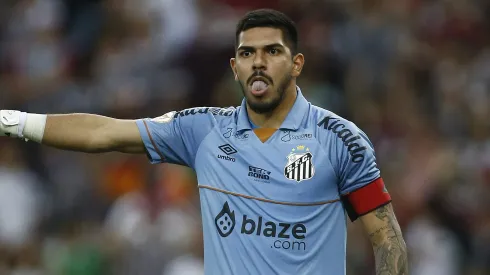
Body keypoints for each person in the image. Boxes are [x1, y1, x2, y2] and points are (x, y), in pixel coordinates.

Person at [0, 9, 408, 275]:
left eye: (273, 51)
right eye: (248, 53)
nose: (259, 62)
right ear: (235, 67)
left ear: (296, 63)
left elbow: (386, 240)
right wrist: (10, 121)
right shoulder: (203, 130)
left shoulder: (340, 139)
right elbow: (103, 132)